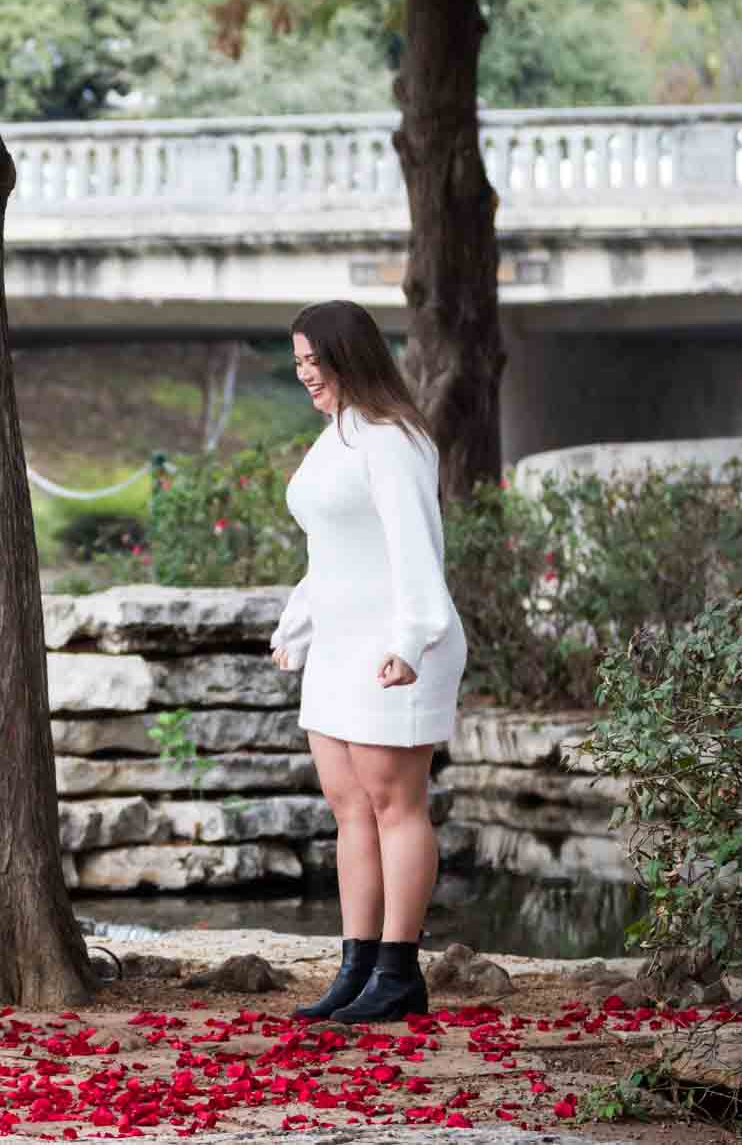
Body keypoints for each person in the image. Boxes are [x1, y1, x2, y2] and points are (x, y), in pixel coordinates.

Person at [270, 301, 466, 1024]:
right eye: (297, 365)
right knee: (349, 805)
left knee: (395, 803)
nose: (304, 377)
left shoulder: (393, 440)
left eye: (312, 363)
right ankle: (355, 966)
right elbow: (334, 547)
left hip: (394, 646)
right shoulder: (335, 438)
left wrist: (411, 639)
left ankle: (398, 970)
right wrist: (300, 619)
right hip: (339, 645)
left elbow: (417, 545)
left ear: (349, 357)